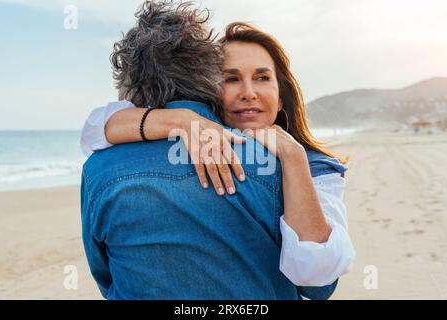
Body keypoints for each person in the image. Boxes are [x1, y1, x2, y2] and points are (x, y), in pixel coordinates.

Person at [81, 1, 355, 299]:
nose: (248, 92)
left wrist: (294, 159)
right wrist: (182, 120)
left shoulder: (316, 167)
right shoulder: (188, 131)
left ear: (281, 98)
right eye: (231, 78)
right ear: (209, 89)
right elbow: (95, 127)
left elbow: (318, 284)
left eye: (262, 78)